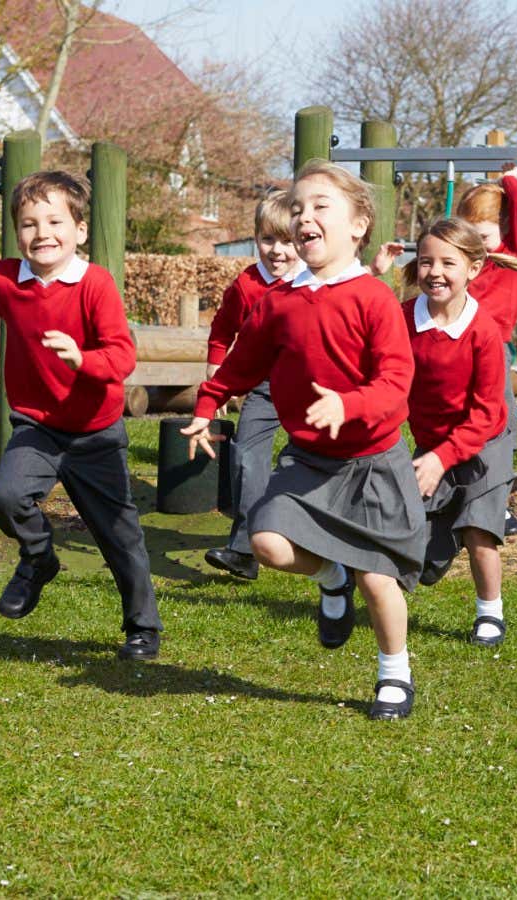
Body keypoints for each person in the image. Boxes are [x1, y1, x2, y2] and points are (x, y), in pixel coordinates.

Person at [181, 161, 423, 720]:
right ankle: (329, 578)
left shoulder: (374, 298)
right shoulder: (278, 300)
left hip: (372, 462)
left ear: (359, 225)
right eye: (299, 208)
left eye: (320, 207)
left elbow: (395, 384)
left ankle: (395, 673)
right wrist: (208, 403)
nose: (305, 217)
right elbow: (243, 362)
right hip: (310, 460)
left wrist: (349, 403)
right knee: (267, 543)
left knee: (379, 580)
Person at [0, 170, 161, 660]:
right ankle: (38, 557)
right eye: (29, 223)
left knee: (119, 534)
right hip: (38, 426)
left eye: (54, 221)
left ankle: (143, 627)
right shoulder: (7, 280)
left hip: (95, 433)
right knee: (4, 498)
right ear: (17, 232)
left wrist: (81, 359)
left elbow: (122, 357)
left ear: (80, 231)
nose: (41, 233)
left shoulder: (95, 285)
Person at [401, 218, 513, 647]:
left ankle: (490, 613)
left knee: (479, 529)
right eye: (426, 261)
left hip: (485, 442)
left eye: (449, 262)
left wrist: (442, 458)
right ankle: (437, 546)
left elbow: (485, 415)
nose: (435, 272)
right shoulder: (402, 320)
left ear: (474, 269)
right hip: (431, 443)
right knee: (421, 552)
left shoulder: (483, 333)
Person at [202, 192, 303, 581]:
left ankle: (318, 534)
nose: (277, 251)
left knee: (307, 460)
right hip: (263, 385)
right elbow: (223, 328)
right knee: (246, 457)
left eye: (288, 241)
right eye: (268, 240)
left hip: (310, 387)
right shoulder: (247, 284)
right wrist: (216, 373)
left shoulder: (315, 281)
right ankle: (245, 549)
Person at [456, 164, 517, 537]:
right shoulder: (469, 260)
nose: (476, 240)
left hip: (492, 350)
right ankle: (458, 493)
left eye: (483, 233)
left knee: (498, 425)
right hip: (456, 346)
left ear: (505, 228)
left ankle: (496, 504)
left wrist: (510, 178)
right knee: (456, 420)